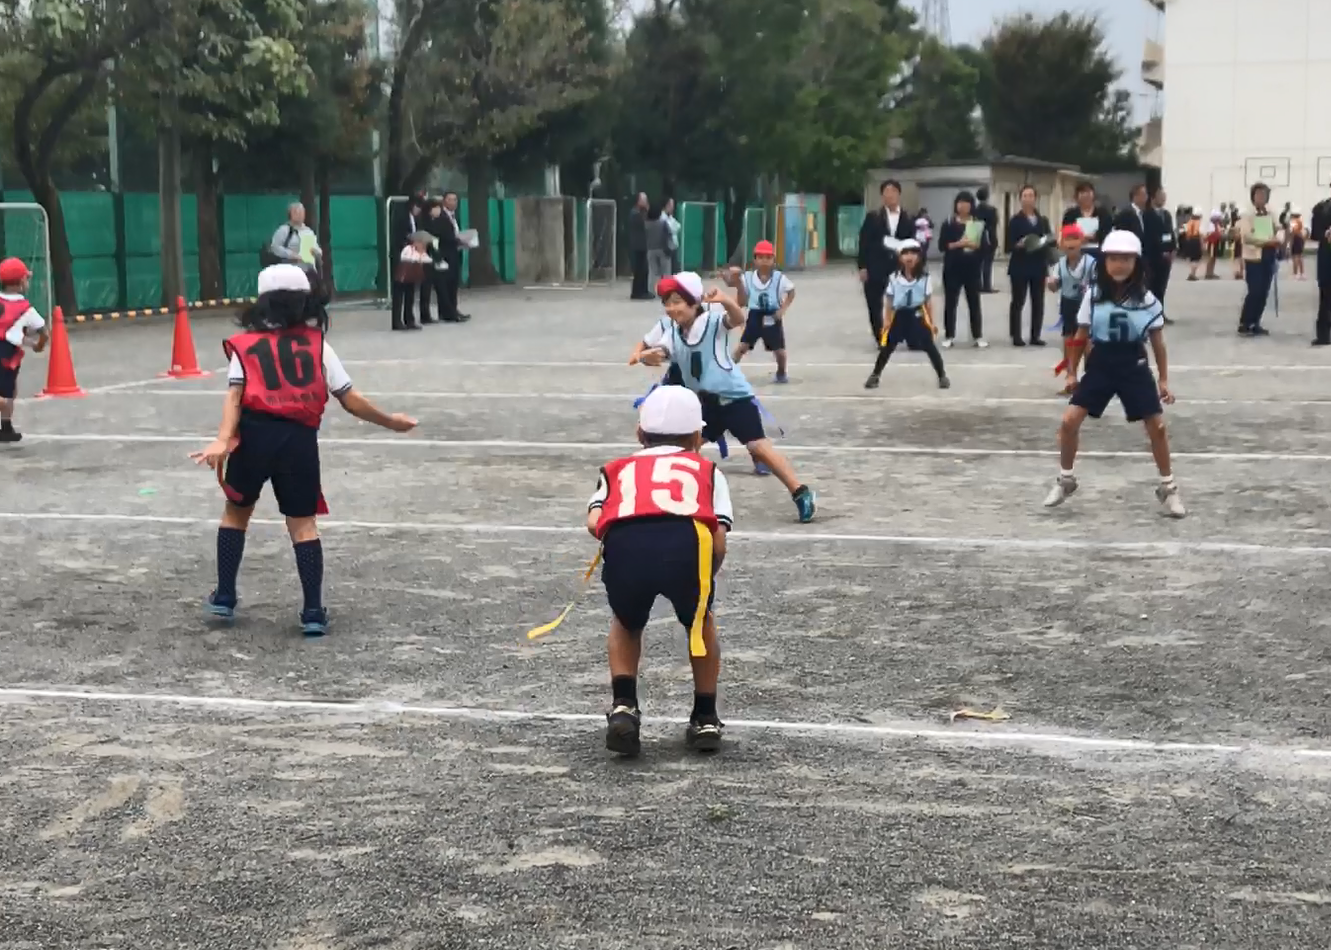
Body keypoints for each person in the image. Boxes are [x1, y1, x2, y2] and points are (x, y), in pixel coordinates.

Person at [190, 264, 418, 636]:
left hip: (253, 437)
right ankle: (312, 610)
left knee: (236, 512)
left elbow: (234, 397)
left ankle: (225, 595)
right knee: (302, 524)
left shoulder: (245, 346)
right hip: (298, 440)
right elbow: (350, 398)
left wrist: (222, 439)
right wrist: (389, 421)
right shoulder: (318, 345)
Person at [587, 385, 732, 756]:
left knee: (626, 622)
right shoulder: (707, 471)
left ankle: (624, 705)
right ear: (698, 437)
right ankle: (705, 716)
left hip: (628, 544)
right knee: (700, 623)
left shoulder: (617, 468)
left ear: (640, 433)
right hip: (687, 544)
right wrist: (707, 576)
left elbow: (594, 520)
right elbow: (717, 537)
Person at [629, 271, 817, 523]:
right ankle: (684, 501)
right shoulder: (673, 331)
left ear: (694, 302)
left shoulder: (711, 322)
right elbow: (662, 351)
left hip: (734, 398)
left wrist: (726, 300)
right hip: (705, 403)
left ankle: (801, 492)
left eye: (677, 301)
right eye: (667, 303)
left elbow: (737, 319)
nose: (671, 308)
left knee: (758, 447)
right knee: (686, 449)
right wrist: (649, 357)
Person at [1042, 231, 1184, 519]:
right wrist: (1071, 373)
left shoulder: (1147, 300)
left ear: (1136, 263)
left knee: (1157, 427)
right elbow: (1080, 336)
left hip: (1133, 363)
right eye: (1114, 259)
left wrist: (1163, 380)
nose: (1120, 265)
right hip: (1102, 363)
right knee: (1069, 421)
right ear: (1105, 262)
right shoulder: (1093, 296)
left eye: (1126, 259)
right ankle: (1065, 479)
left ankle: (1168, 487)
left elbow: (1158, 342)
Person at [864, 239, 948, 390]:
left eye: (913, 253)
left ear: (919, 257)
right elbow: (889, 300)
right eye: (905, 253)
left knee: (929, 345)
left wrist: (931, 322)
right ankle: (875, 375)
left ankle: (942, 375)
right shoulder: (894, 278)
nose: (909, 257)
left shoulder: (925, 278)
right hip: (900, 315)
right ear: (900, 257)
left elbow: (928, 301)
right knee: (888, 347)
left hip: (917, 314)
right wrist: (887, 321)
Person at [857, 179, 916, 344]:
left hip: (899, 267)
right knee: (875, 305)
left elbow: (913, 244)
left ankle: (905, 334)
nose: (890, 195)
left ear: (899, 194)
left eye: (893, 191)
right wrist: (862, 266)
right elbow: (863, 242)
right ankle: (881, 338)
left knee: (904, 303)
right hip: (876, 267)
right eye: (886, 192)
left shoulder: (908, 218)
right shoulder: (873, 217)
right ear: (882, 196)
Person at [728, 240, 795, 384]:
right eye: (760, 257)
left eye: (768, 257)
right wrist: (736, 282)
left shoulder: (779, 278)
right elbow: (742, 300)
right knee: (743, 346)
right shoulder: (747, 278)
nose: (764, 261)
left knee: (779, 351)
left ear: (773, 260)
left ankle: (781, 372)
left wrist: (782, 309)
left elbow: (791, 291)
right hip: (755, 315)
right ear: (755, 260)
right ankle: (727, 371)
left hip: (772, 315)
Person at [0, 257, 49, 443]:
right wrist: (39, 345)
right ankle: (5, 423)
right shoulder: (25, 308)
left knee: (10, 390)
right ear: (21, 282)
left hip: (7, 350)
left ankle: (6, 428)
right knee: (6, 395)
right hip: (6, 355)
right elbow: (44, 332)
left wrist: (28, 341)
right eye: (26, 278)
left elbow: (12, 333)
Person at [1047, 225, 1094, 396]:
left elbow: (1098, 283)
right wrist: (1051, 284)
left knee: (1088, 343)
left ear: (1082, 242)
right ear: (1062, 244)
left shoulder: (1091, 263)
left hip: (1087, 305)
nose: (1071, 243)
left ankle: (1090, 380)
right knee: (1069, 343)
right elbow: (1055, 286)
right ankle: (1071, 377)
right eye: (1067, 239)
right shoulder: (1059, 265)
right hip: (1068, 305)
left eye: (1075, 239)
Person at [1005, 184, 1052, 346]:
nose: (1028, 199)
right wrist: (1019, 244)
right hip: (1020, 265)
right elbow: (1008, 244)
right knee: (1018, 301)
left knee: (1038, 301)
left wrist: (1045, 243)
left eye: (1031, 195)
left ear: (1035, 199)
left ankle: (1035, 335)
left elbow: (1048, 239)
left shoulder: (1042, 220)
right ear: (1020, 199)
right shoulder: (1015, 221)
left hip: (1038, 265)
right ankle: (1016, 335)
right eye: (1025, 196)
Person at [938, 190, 986, 348]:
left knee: (974, 303)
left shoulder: (977, 224)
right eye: (960, 202)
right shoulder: (949, 223)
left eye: (966, 202)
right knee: (950, 303)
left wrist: (975, 246)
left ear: (971, 205)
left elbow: (985, 247)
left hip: (972, 269)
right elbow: (942, 246)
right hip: (952, 268)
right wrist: (959, 244)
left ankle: (977, 335)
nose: (963, 206)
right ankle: (949, 335)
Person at [1237, 182, 1283, 336]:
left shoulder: (1271, 214)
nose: (1261, 197)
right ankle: (1245, 322)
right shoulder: (1247, 215)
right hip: (1253, 257)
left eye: (1264, 195)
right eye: (1258, 194)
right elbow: (1246, 237)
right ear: (1253, 197)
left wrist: (1279, 239)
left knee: (1264, 291)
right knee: (1255, 290)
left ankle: (1255, 321)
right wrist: (1266, 242)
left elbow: (1279, 229)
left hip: (1268, 255)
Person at [391, 231, 432, 331]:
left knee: (410, 294)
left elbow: (426, 259)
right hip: (403, 271)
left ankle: (409, 319)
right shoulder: (408, 249)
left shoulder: (419, 250)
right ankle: (397, 321)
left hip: (411, 272)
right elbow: (407, 257)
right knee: (399, 295)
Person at [1062, 182, 1114, 260]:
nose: (1086, 195)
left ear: (1093, 195)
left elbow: (1107, 231)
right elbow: (1066, 232)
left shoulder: (1103, 213)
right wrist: (1079, 238)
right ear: (1077, 196)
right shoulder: (1070, 214)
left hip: (1099, 251)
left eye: (1088, 192)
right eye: (1082, 192)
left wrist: (1093, 237)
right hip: (1076, 252)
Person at [1147, 187, 1176, 322]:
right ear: (1153, 198)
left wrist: (1173, 249)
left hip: (1167, 256)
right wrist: (1160, 251)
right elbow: (1150, 237)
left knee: (1162, 287)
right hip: (1154, 257)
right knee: (1152, 286)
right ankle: (1151, 313)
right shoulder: (1147, 215)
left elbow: (1170, 233)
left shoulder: (1167, 214)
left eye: (1164, 196)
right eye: (1160, 196)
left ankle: (1160, 312)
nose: (1163, 198)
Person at [1311, 194, 1331, 345]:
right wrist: (1326, 234)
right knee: (1326, 297)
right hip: (1327, 258)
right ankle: (1323, 335)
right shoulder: (1321, 208)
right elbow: (1315, 233)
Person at [628, 193, 652, 300]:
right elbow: (645, 224)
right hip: (637, 245)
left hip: (642, 245)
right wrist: (647, 211)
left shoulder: (640, 213)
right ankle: (638, 292)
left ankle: (643, 290)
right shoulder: (635, 213)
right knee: (640, 270)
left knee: (644, 270)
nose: (646, 202)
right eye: (644, 200)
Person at [975, 185, 999, 293]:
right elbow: (994, 224)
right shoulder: (992, 210)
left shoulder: (974, 210)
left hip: (977, 237)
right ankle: (987, 286)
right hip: (989, 238)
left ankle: (978, 285)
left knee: (978, 263)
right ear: (987, 196)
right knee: (988, 263)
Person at [645, 203, 672, 293]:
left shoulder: (646, 224)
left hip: (650, 249)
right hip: (662, 249)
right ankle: (666, 291)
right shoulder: (662, 223)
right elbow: (668, 235)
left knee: (653, 272)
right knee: (666, 272)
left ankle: (652, 291)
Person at [1182, 211, 1204, 281]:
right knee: (1196, 259)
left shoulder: (1189, 222)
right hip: (1196, 240)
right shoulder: (1199, 223)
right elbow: (1201, 235)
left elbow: (1185, 232)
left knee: (1192, 259)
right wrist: (1202, 245)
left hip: (1189, 240)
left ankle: (1192, 273)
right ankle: (1192, 274)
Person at [663, 198, 683, 274]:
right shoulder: (663, 217)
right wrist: (673, 228)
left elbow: (678, 226)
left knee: (675, 269)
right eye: (671, 205)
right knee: (668, 269)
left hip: (674, 246)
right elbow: (670, 229)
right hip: (668, 247)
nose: (672, 207)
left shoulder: (670, 217)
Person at [1289, 210, 1307, 281]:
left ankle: (1295, 273)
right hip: (1300, 239)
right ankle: (1302, 273)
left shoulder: (1294, 222)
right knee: (1300, 257)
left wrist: (1291, 241)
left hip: (1296, 239)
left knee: (1295, 257)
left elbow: (1293, 232)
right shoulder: (1300, 221)